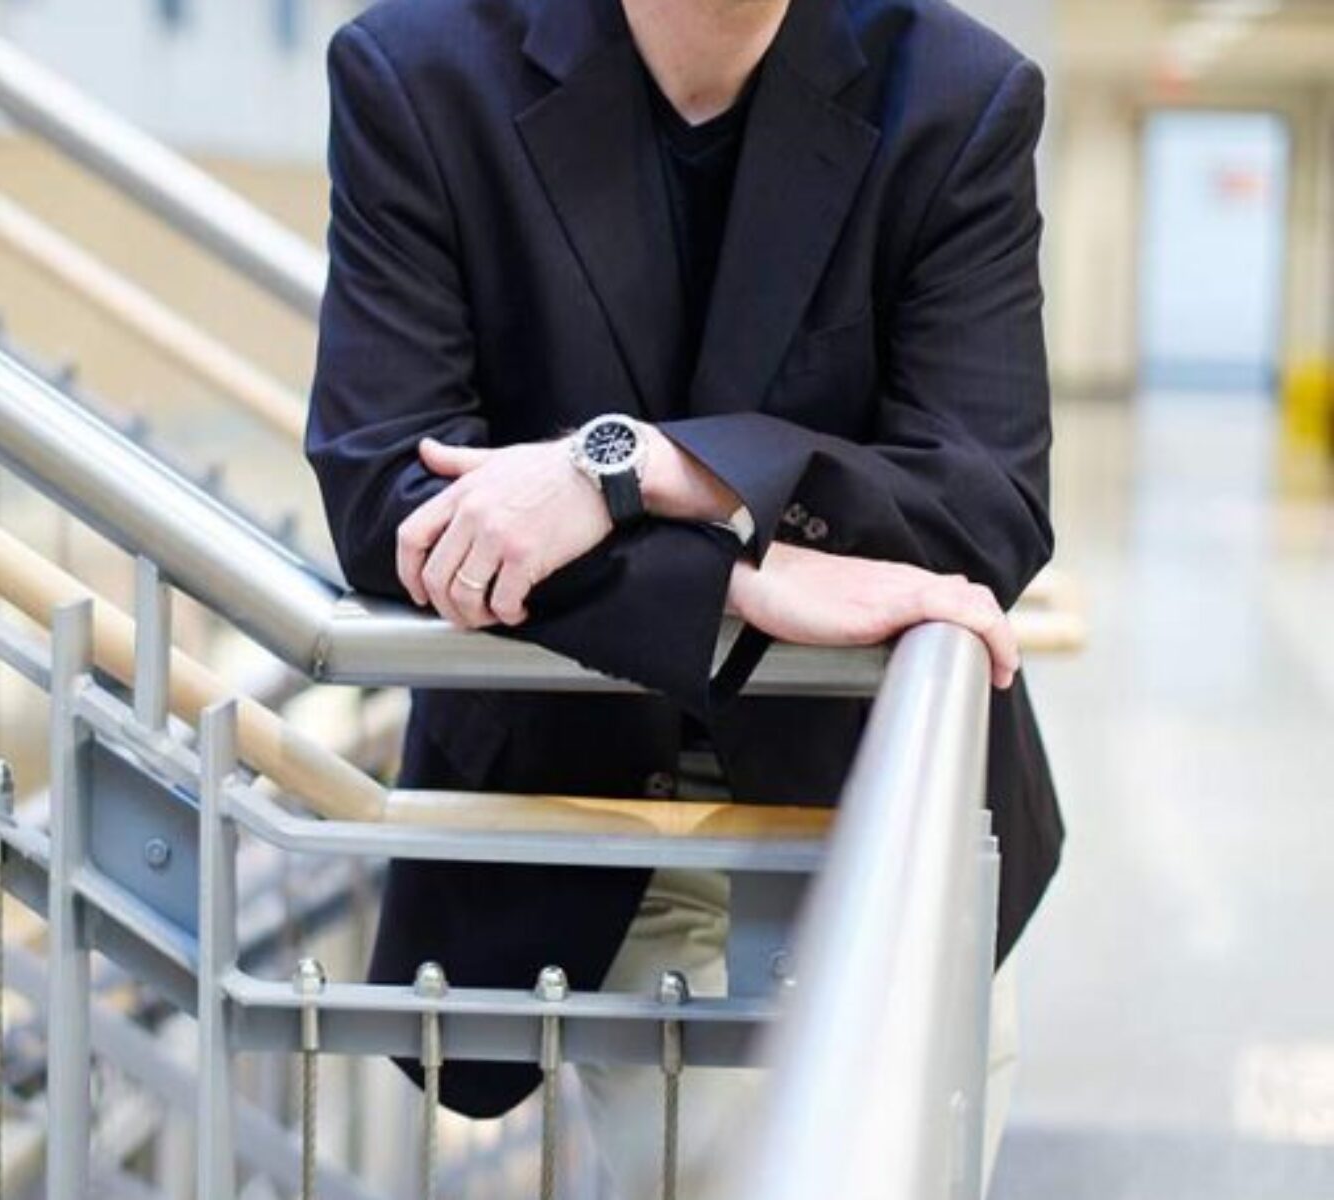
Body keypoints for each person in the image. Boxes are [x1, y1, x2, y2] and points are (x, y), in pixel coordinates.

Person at [306, 0, 1063, 1193]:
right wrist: (751, 578)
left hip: (878, 789)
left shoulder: (958, 95)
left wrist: (650, 469)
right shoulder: (420, 73)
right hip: (583, 785)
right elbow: (388, 494)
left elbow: (984, 506)